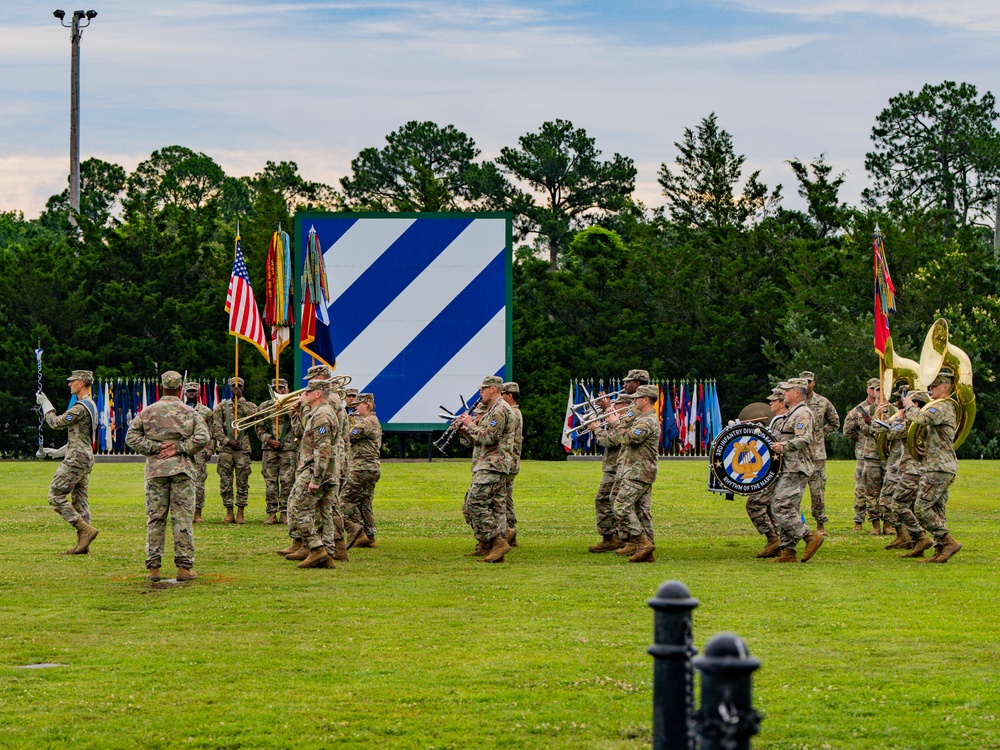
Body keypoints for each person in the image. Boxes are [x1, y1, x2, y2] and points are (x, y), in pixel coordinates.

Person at [126, 371, 210, 582]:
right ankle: (184, 567)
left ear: (161, 387)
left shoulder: (149, 411)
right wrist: (179, 447)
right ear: (180, 388)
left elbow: (131, 437)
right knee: (182, 518)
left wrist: (155, 447)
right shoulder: (189, 412)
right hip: (182, 470)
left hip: (156, 471)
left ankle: (153, 568)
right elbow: (203, 437)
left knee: (156, 518)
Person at [901, 373, 963, 562]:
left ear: (945, 387)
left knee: (921, 508)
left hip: (938, 466)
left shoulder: (943, 406)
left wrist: (909, 406)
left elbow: (921, 419)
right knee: (936, 509)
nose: (931, 390)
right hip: (942, 465)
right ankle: (939, 550)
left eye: (934, 387)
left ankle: (948, 540)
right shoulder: (943, 407)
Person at [37, 369, 100, 555]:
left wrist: (45, 404)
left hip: (76, 459)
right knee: (80, 501)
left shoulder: (80, 407)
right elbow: (81, 437)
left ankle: (85, 530)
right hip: (83, 456)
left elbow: (56, 423)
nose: (69, 384)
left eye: (72, 381)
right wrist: (58, 452)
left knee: (55, 496)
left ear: (81, 383)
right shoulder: (91, 405)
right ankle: (83, 545)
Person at [282, 380, 340, 569]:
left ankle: (316, 548)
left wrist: (316, 478)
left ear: (317, 394)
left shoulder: (322, 415)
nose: (303, 395)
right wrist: (295, 415)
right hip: (325, 471)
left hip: (314, 470)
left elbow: (322, 449)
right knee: (324, 512)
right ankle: (328, 555)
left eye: (308, 391)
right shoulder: (318, 413)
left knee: (297, 507)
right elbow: (303, 436)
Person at [588, 369, 648, 552]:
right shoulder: (630, 407)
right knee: (623, 502)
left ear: (637, 384)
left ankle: (623, 539)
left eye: (628, 381)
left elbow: (613, 439)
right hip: (619, 464)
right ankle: (628, 539)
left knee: (611, 500)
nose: (624, 384)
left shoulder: (633, 409)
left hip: (623, 465)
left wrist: (598, 427)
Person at [458, 375, 514, 563]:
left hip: (493, 464)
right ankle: (488, 547)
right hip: (487, 463)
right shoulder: (492, 410)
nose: (480, 392)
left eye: (483, 388)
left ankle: (497, 542)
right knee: (494, 507)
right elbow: (479, 440)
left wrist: (470, 425)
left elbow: (489, 437)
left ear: (493, 389)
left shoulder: (499, 410)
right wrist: (465, 431)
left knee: (475, 503)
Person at [769, 378, 824, 563]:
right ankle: (788, 552)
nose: (783, 393)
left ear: (797, 393)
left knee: (780, 506)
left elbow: (805, 438)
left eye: (787, 390)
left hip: (796, 467)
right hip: (789, 466)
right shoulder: (793, 412)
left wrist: (783, 447)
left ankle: (809, 536)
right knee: (789, 508)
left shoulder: (802, 413)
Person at [604, 384, 660, 562]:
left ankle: (643, 542)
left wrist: (615, 422)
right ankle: (643, 549)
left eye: (637, 398)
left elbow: (629, 439)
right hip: (634, 469)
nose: (633, 401)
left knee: (621, 506)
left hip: (639, 471)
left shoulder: (647, 421)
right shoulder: (640, 418)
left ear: (646, 400)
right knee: (638, 509)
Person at [745, 385, 787, 559]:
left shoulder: (782, 419)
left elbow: (778, 443)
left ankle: (773, 540)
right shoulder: (778, 419)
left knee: (754, 504)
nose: (770, 403)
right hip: (775, 470)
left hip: (775, 470)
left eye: (773, 400)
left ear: (782, 402)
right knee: (770, 508)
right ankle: (779, 545)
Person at [587, 395, 632, 553]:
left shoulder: (626, 420)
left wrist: (597, 429)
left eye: (617, 404)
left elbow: (611, 441)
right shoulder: (619, 420)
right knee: (609, 501)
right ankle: (615, 537)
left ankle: (616, 538)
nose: (614, 406)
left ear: (626, 405)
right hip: (613, 466)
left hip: (618, 467)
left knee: (606, 501)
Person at [211, 377, 257, 523]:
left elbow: (255, 417)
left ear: (243, 388)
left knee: (242, 481)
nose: (236, 388)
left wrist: (241, 400)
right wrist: (227, 441)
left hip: (242, 449)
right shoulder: (221, 407)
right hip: (226, 450)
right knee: (225, 481)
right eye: (233, 386)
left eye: (239, 386)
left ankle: (240, 512)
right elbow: (215, 428)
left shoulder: (248, 405)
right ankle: (229, 511)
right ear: (230, 388)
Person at [800, 371, 840, 536]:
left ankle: (820, 525)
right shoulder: (794, 403)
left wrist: (820, 434)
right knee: (794, 492)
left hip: (817, 455)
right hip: (798, 455)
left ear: (814, 383)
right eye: (803, 382)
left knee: (818, 492)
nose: (806, 384)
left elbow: (835, 422)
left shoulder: (822, 402)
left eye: (809, 381)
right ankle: (794, 526)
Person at [843, 378, 886, 534]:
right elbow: (851, 431)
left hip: (888, 455)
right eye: (874, 389)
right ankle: (860, 521)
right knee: (863, 489)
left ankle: (888, 523)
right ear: (869, 390)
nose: (877, 392)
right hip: (867, 454)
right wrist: (861, 442)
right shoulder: (862, 410)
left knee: (887, 489)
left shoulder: (893, 409)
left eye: (881, 389)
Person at [255, 378, 297, 525]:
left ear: (287, 389)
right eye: (275, 388)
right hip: (269, 450)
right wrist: (269, 440)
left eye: (281, 388)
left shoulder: (294, 406)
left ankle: (285, 512)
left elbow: (300, 428)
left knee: (287, 482)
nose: (278, 390)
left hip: (288, 449)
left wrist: (293, 414)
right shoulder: (264, 406)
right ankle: (271, 513)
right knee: (270, 483)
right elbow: (258, 428)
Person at [344, 393, 382, 549]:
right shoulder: (373, 420)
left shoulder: (366, 423)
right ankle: (369, 536)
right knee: (364, 503)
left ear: (366, 404)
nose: (355, 408)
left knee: (343, 501)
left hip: (361, 468)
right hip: (370, 468)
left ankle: (357, 533)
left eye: (357, 405)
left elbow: (348, 436)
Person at [873, 389, 908, 548]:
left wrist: (898, 419)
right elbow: (879, 430)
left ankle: (909, 535)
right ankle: (905, 535)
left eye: (900, 399)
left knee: (888, 502)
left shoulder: (910, 418)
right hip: (894, 463)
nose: (898, 402)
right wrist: (879, 415)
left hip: (901, 466)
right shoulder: (901, 416)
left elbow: (894, 433)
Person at [183, 381, 215, 524]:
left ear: (198, 393)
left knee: (199, 483)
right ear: (184, 392)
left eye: (194, 391)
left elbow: (212, 432)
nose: (191, 393)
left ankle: (197, 513)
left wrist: (210, 449)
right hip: (182, 451)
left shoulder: (206, 412)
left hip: (200, 451)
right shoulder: (179, 409)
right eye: (189, 391)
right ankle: (184, 512)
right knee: (182, 482)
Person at [500, 382, 523, 547]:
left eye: (503, 394)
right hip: (513, 460)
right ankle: (511, 532)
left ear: (509, 396)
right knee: (507, 497)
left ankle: (508, 531)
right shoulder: (516, 412)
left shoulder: (512, 414)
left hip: (508, 460)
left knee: (503, 498)